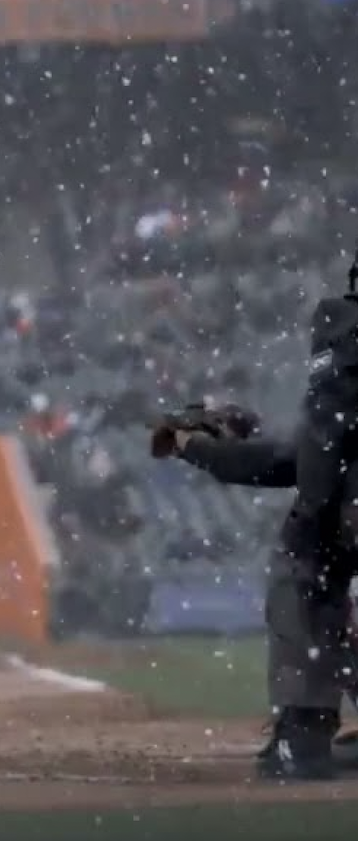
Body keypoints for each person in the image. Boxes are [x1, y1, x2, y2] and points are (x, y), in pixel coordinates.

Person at [158, 247, 358, 780]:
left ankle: (303, 731)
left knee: (305, 568)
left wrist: (195, 446)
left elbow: (320, 444)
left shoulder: (344, 325)